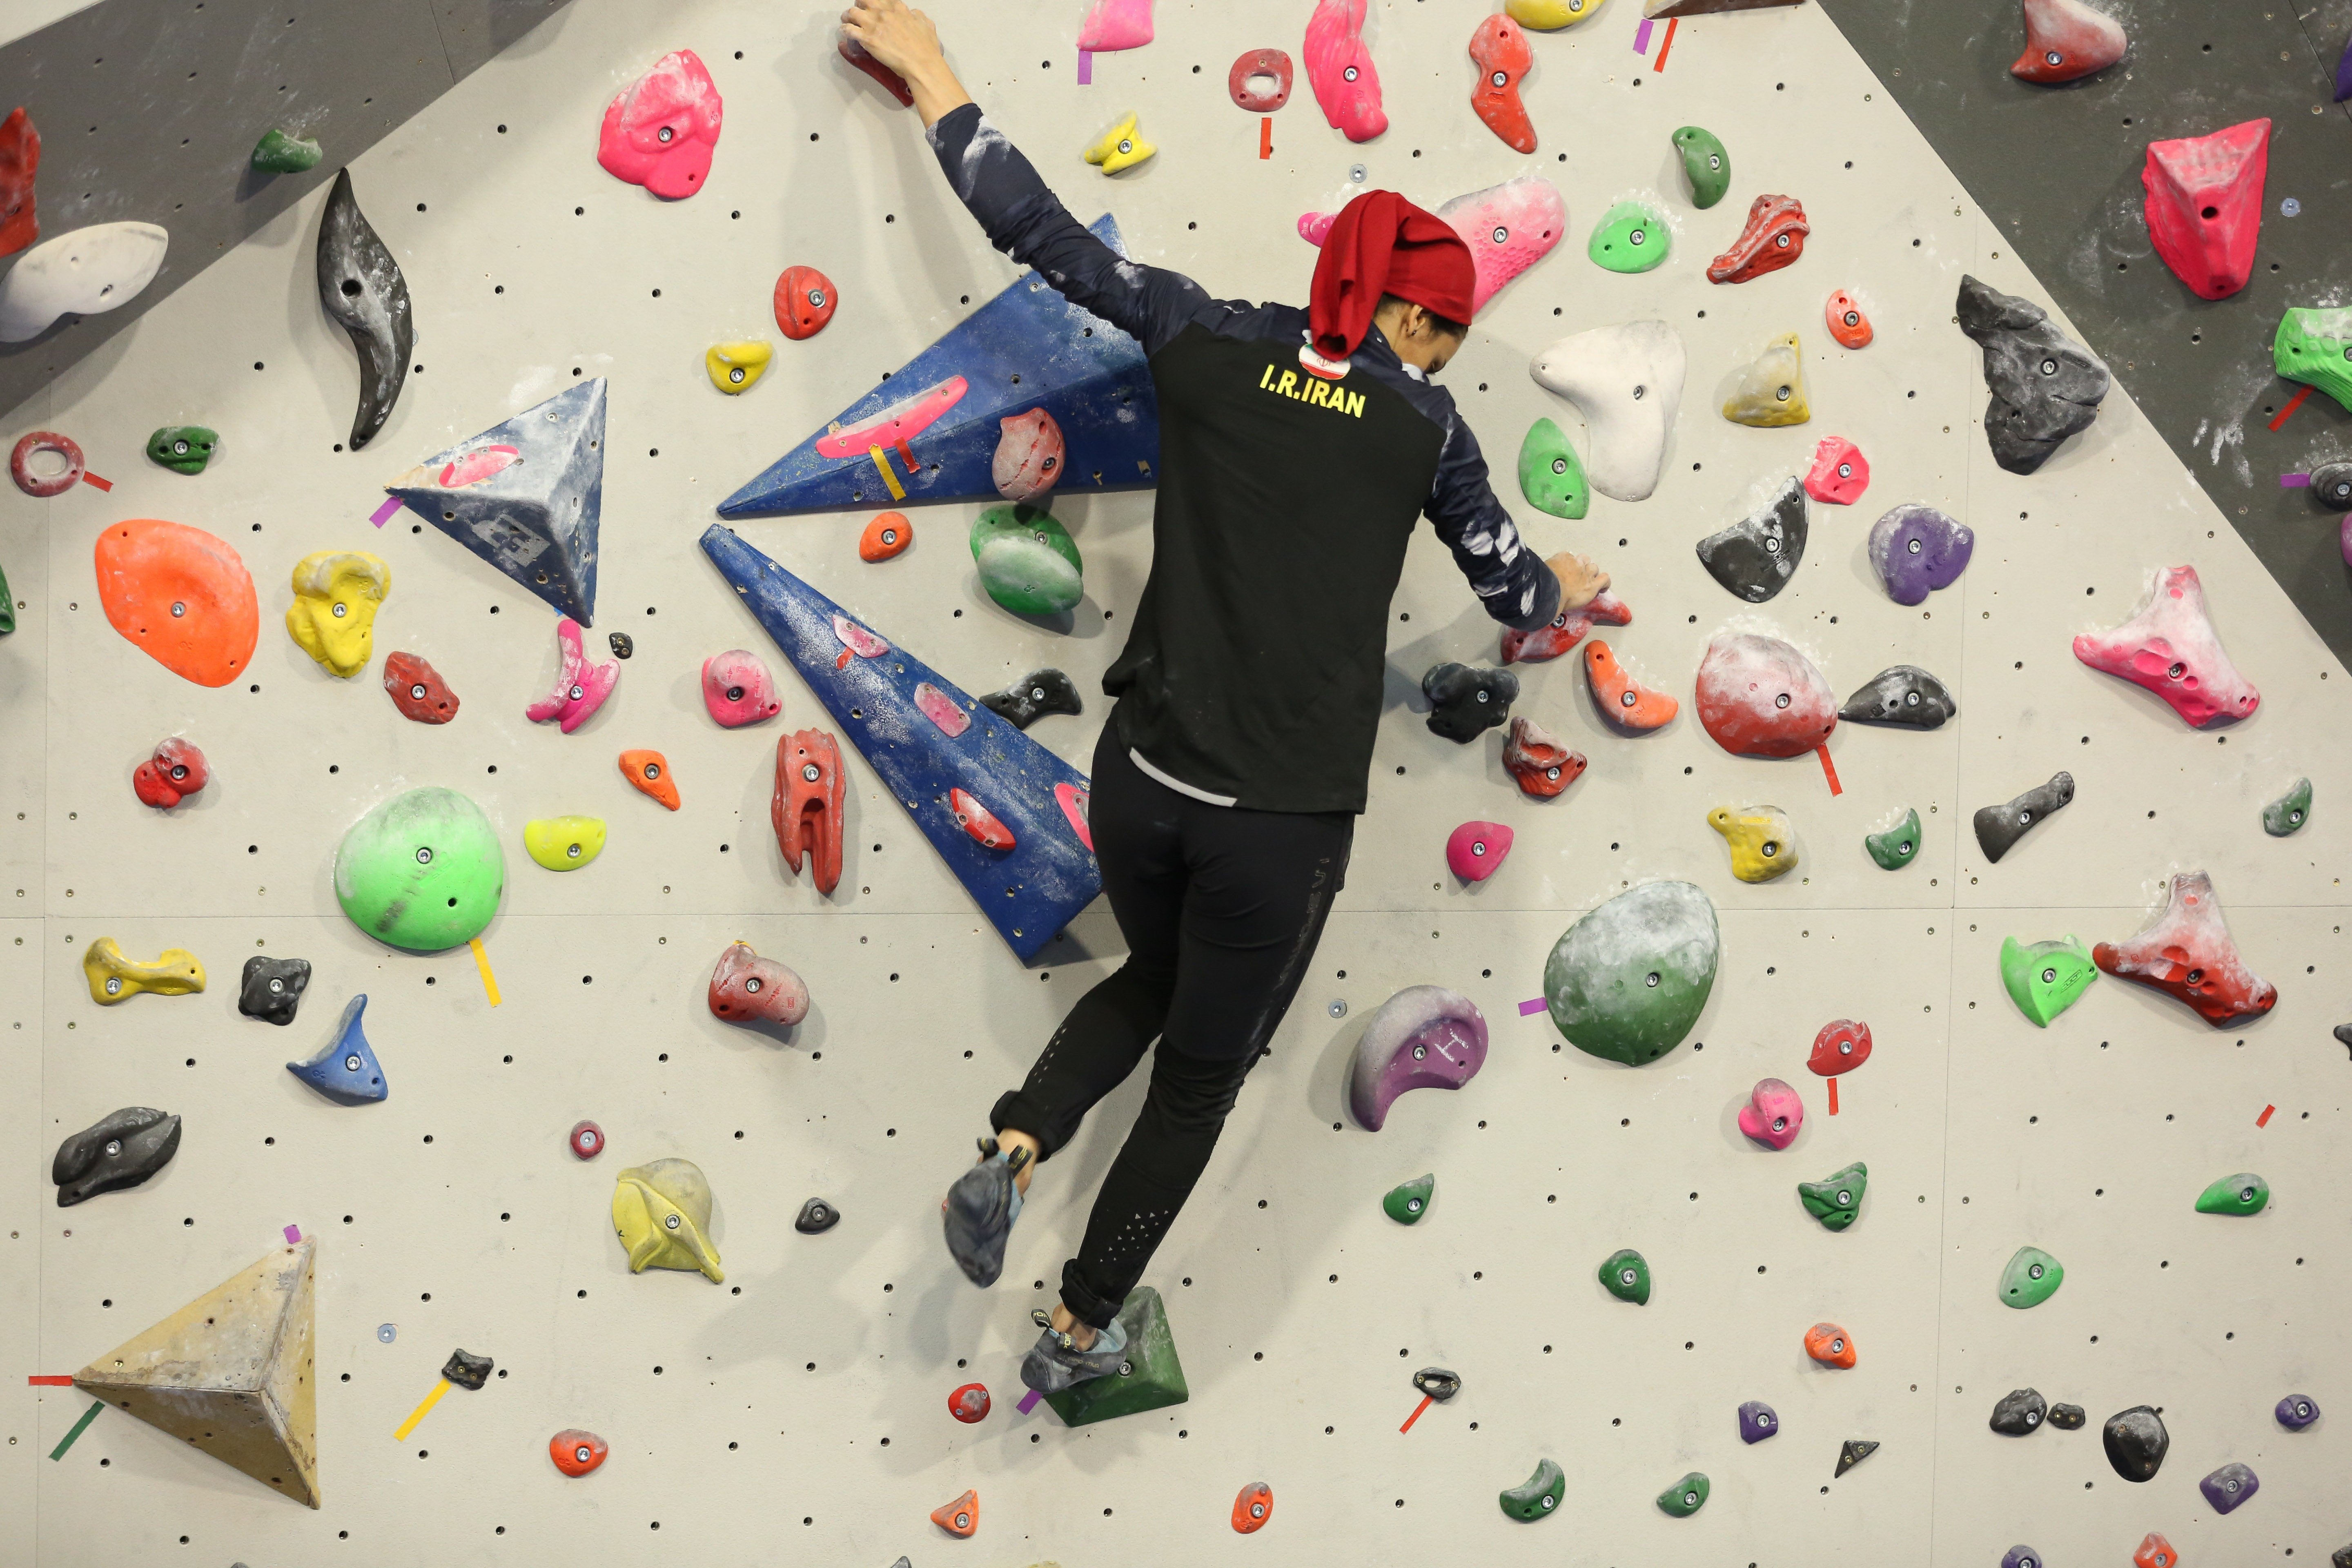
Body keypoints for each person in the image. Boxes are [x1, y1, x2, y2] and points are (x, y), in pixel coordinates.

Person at [839, 0, 1610, 1394]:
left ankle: (1014, 1145)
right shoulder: (1425, 426)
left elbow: (1050, 238)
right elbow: (1515, 598)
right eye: (1447, 331)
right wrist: (1563, 583)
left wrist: (939, 77)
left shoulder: (1207, 335)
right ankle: (1079, 1325)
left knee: (1153, 974)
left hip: (1143, 781)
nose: (1444, 356)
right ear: (1412, 316)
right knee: (1200, 1078)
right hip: (1279, 824)